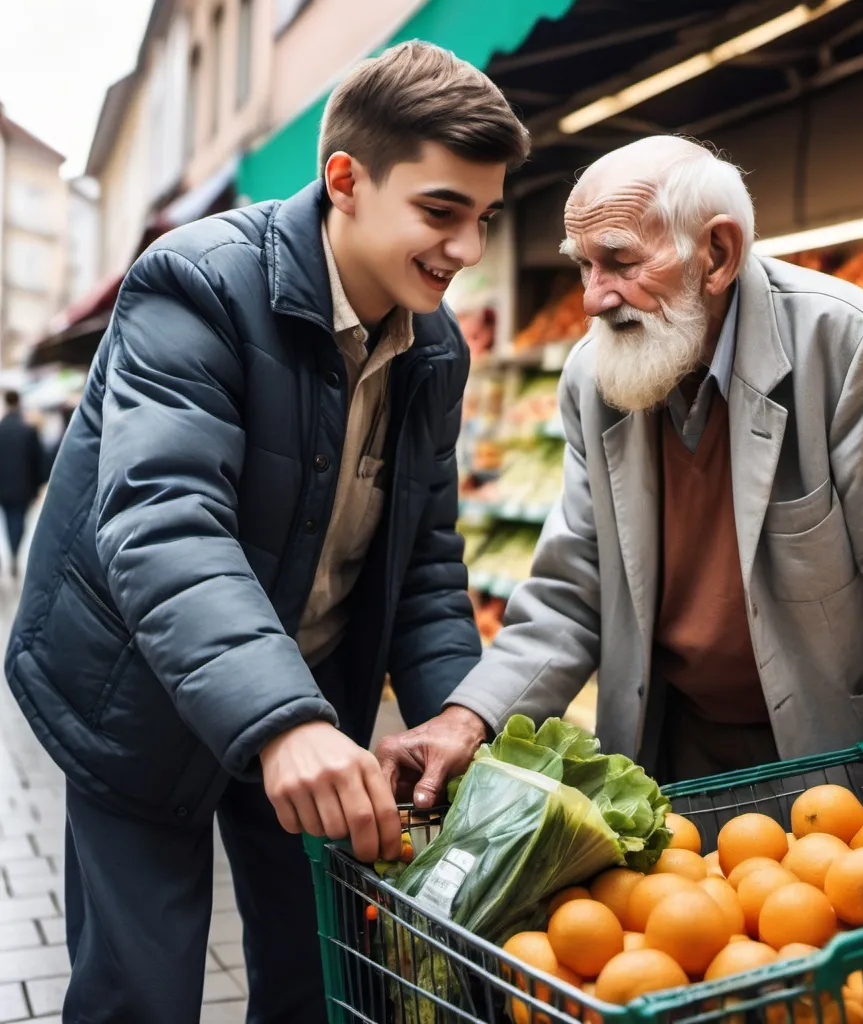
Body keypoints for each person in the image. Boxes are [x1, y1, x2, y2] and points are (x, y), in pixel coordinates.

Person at [5, 42, 528, 1024]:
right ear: (346, 182)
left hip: (310, 692)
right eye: (441, 211)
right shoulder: (196, 283)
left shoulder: (438, 350)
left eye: (485, 217)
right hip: (135, 692)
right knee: (141, 994)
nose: (466, 247)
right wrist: (281, 721)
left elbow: (424, 565)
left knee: (324, 977)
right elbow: (164, 524)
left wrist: (457, 726)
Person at [378, 135, 863, 825]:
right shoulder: (594, 381)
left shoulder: (846, 345)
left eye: (620, 262)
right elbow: (572, 591)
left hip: (854, 760)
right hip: (682, 762)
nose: (594, 299)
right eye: (584, 267)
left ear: (716, 254)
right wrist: (470, 718)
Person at [0, 390, 46, 577]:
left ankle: (12, 553)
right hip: (23, 487)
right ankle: (14, 553)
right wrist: (38, 487)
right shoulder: (28, 430)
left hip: (2, 486)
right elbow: (38, 461)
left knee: (9, 520)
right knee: (18, 522)